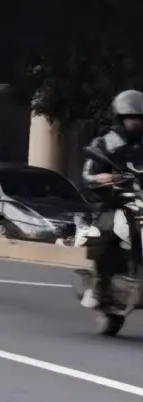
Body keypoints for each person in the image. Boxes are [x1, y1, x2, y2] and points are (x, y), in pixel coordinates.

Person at [81, 89, 143, 308]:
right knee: (108, 229)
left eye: (139, 118)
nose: (135, 123)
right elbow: (88, 173)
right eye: (131, 118)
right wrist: (101, 178)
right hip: (114, 202)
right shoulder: (106, 142)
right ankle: (99, 282)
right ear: (120, 118)